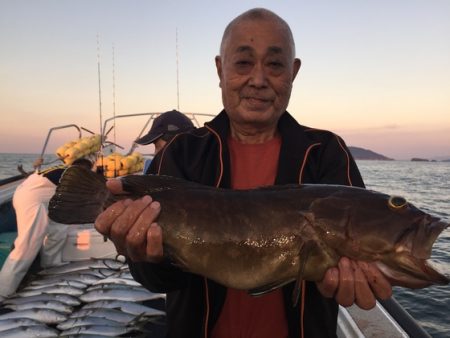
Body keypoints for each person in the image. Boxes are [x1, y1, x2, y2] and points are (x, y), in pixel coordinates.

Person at [95, 8, 392, 338]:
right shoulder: (182, 151)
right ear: (220, 69)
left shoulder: (327, 152)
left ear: (293, 72)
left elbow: (356, 252)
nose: (259, 79)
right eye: (243, 62)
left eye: (275, 64)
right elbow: (157, 280)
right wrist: (142, 254)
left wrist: (354, 280)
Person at [0, 158, 93, 297]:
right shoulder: (71, 174)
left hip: (41, 197)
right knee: (27, 246)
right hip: (32, 200)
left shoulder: (61, 170)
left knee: (58, 230)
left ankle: (50, 269)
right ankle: (4, 291)